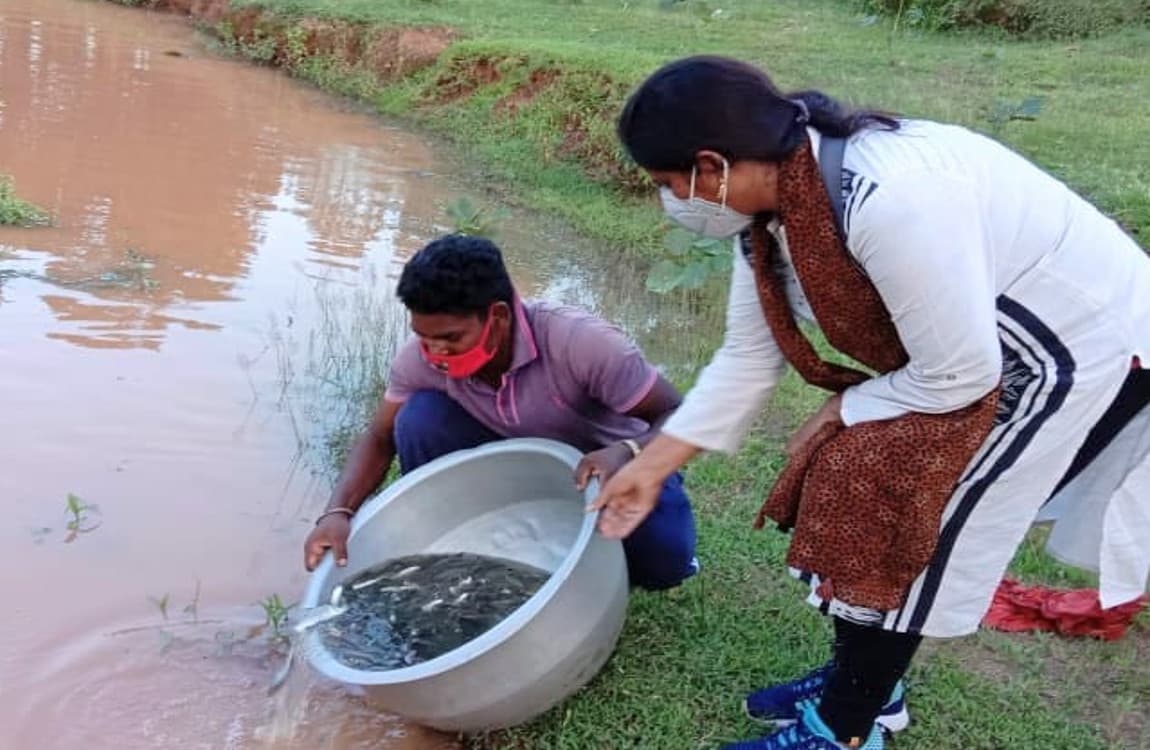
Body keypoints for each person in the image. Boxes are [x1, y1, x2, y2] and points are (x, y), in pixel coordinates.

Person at [591, 55, 1150, 749]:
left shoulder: (886, 198)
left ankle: (848, 726)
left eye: (669, 183)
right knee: (860, 478)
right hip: (981, 354)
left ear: (712, 165)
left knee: (915, 522)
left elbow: (964, 372)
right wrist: (651, 465)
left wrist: (847, 408)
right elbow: (745, 357)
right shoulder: (773, 218)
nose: (671, 200)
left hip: (1070, 352)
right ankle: (860, 685)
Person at [303, 233, 698, 592]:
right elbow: (379, 436)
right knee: (420, 418)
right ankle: (459, 539)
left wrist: (626, 451)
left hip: (611, 468)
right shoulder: (420, 361)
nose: (436, 354)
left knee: (664, 566)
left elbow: (679, 413)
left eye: (451, 339)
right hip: (517, 466)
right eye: (424, 338)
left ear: (499, 317)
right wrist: (337, 512)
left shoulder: (583, 344)